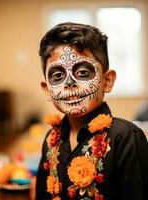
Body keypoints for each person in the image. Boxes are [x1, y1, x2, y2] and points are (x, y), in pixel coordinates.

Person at [36, 22, 148, 200]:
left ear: (107, 81)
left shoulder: (126, 137)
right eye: (57, 76)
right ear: (47, 89)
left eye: (82, 72)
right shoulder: (51, 140)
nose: (69, 83)